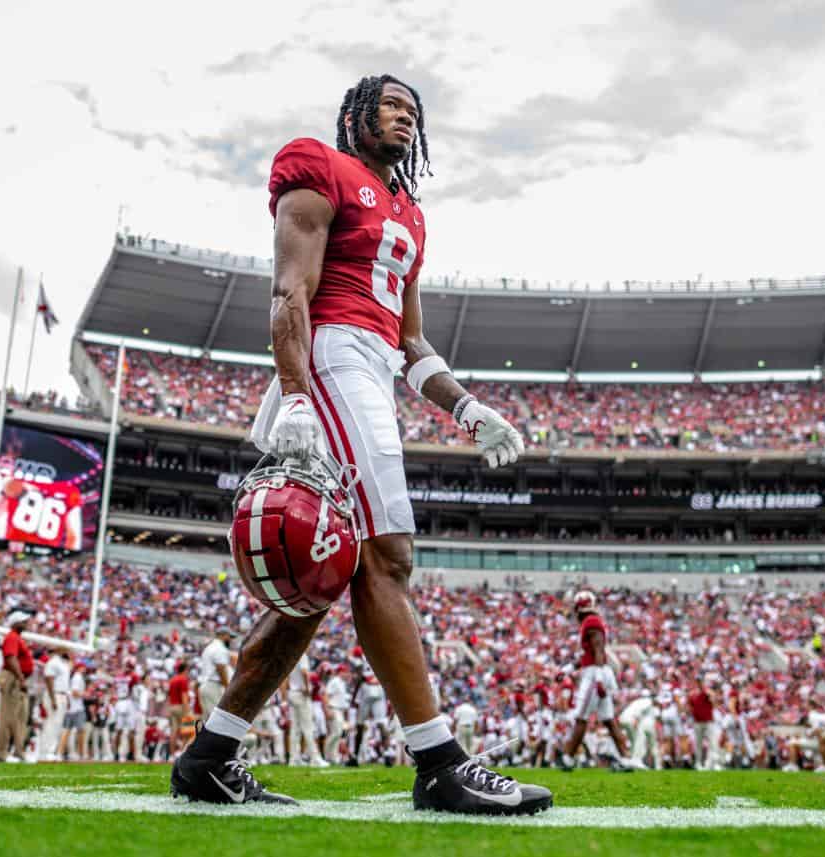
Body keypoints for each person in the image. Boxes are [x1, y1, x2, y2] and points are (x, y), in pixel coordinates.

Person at [169, 73, 547, 816]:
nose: (405, 118)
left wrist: (468, 408)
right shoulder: (320, 168)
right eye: (392, 105)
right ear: (355, 114)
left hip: (369, 365)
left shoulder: (411, 211)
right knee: (387, 555)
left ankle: (208, 756)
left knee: (321, 577)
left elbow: (409, 343)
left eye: (415, 110)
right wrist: (299, 393)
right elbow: (290, 293)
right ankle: (439, 762)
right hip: (330, 357)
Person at [558, 590, 636, 770]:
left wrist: (599, 679)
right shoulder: (590, 622)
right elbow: (587, 654)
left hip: (595, 674)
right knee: (608, 719)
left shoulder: (591, 622)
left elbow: (599, 650)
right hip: (597, 672)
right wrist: (567, 669)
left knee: (581, 716)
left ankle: (568, 757)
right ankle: (625, 758)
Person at [0, 610, 34, 762]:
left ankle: (18, 750)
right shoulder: (12, 637)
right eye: (23, 621)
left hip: (17, 678)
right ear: (15, 622)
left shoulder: (17, 638)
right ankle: (2, 753)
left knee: (20, 717)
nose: (26, 623)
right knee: (8, 717)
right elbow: (11, 658)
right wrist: (20, 678)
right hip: (12, 678)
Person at [38, 649, 72, 761]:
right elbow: (49, 679)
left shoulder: (63, 663)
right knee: (51, 723)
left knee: (56, 725)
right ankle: (46, 751)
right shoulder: (53, 662)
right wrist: (53, 699)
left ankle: (50, 751)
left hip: (61, 694)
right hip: (55, 694)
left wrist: (67, 698)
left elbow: (64, 683)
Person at [196, 628, 234, 718]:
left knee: (209, 721)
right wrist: (227, 688)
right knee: (218, 720)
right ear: (223, 635)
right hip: (213, 686)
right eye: (230, 637)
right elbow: (220, 668)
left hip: (206, 685)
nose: (231, 640)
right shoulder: (220, 648)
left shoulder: (209, 647)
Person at [166, 661, 191, 758]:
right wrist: (187, 710)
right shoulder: (183, 679)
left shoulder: (172, 680)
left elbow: (169, 695)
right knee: (187, 730)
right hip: (180, 707)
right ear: (185, 670)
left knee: (174, 731)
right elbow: (184, 696)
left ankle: (172, 755)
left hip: (172, 706)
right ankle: (181, 753)